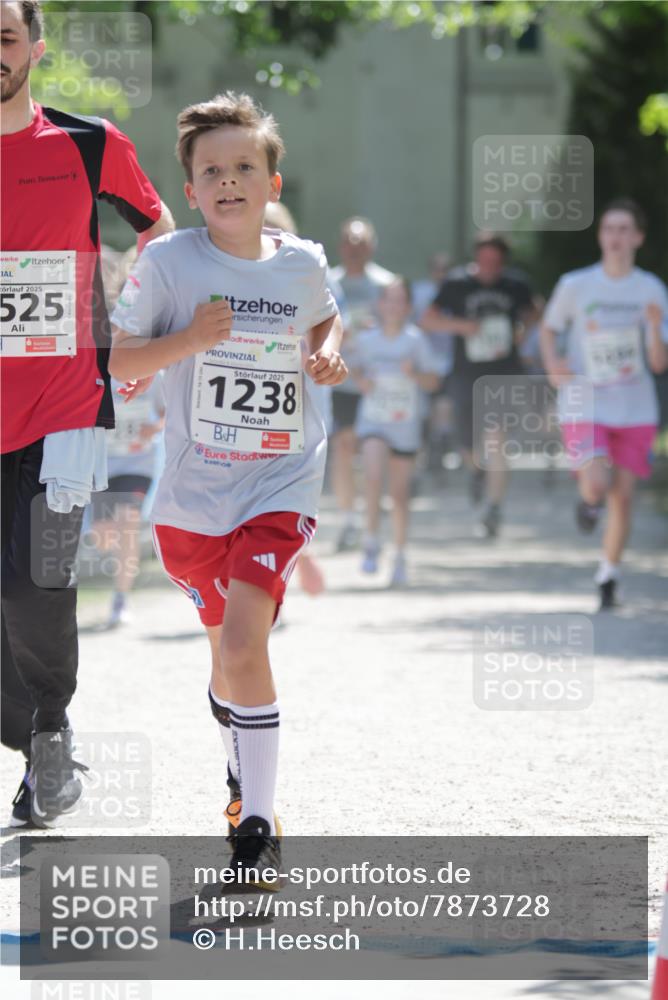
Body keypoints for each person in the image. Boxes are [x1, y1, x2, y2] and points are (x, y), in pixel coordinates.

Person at [109, 92, 346, 880]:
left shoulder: (302, 261)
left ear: (273, 182)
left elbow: (324, 316)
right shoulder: (168, 263)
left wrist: (328, 352)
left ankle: (259, 831)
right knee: (226, 660)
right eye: (212, 170)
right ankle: (243, 774)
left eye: (246, 166)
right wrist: (187, 340)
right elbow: (119, 362)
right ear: (191, 191)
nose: (230, 180)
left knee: (246, 644)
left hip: (280, 478)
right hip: (192, 497)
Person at [0, 0, 173, 828]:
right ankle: (35, 729)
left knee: (38, 581)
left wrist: (132, 324)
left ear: (34, 46)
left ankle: (51, 733)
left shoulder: (88, 143)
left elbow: (158, 230)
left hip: (61, 402)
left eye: (4, 36)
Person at [540, 199, 668, 610]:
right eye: (609, 229)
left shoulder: (651, 290)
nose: (616, 237)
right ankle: (589, 500)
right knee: (599, 483)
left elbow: (658, 362)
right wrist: (553, 365)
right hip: (584, 398)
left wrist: (652, 326)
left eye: (624, 229)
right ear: (601, 237)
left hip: (635, 406)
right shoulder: (576, 284)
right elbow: (549, 328)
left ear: (638, 238)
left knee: (624, 497)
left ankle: (608, 574)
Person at [420, 233, 536, 538]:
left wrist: (522, 331)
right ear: (475, 259)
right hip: (465, 374)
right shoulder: (457, 284)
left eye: (495, 263)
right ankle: (476, 471)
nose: (489, 267)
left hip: (504, 373)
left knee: (497, 438)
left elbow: (535, 311)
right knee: (468, 444)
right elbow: (428, 320)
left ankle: (494, 508)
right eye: (484, 261)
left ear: (503, 263)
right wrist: (460, 326)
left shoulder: (515, 285)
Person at [354, 278, 440, 586]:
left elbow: (433, 381)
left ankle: (400, 554)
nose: (392, 306)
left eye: (399, 300)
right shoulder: (366, 340)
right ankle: (371, 540)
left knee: (400, 495)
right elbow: (352, 369)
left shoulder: (416, 341)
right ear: (380, 305)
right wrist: (361, 381)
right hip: (374, 421)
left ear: (407, 307)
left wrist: (413, 374)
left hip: (405, 424)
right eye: (387, 300)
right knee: (373, 475)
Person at [329, 218, 395, 551]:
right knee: (343, 445)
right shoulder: (329, 282)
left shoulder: (385, 284)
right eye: (350, 244)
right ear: (341, 247)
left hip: (377, 382)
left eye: (362, 244)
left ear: (372, 247)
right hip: (341, 377)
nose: (355, 251)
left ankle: (372, 511)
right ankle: (348, 519)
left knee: (374, 450)